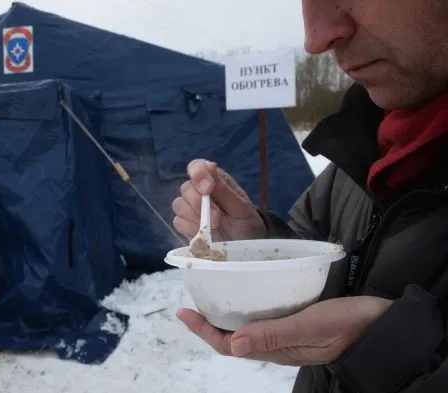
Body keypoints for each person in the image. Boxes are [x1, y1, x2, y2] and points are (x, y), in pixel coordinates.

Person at [171, 1, 448, 392]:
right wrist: (253, 245)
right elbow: (324, 256)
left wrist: (390, 348)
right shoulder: (364, 147)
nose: (315, 38)